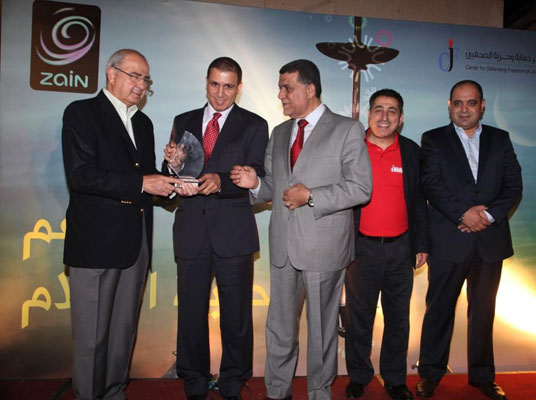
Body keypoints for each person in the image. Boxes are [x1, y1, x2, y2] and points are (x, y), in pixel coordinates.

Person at [230, 59, 372, 400]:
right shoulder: (280, 133)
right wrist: (254, 184)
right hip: (283, 247)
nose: (280, 95)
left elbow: (360, 188)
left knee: (322, 332)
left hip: (324, 248)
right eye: (280, 88)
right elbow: (274, 186)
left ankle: (319, 392)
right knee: (279, 327)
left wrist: (311, 197)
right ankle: (277, 391)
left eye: (287, 88)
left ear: (310, 89)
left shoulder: (347, 129)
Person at [62, 48, 180, 400]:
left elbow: (144, 178)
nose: (141, 85)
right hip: (95, 244)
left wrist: (171, 173)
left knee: (122, 332)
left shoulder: (142, 124)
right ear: (111, 74)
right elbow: (81, 176)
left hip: (135, 244)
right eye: (134, 75)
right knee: (92, 337)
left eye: (146, 79)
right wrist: (144, 182)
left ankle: (114, 392)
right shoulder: (82, 113)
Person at [163, 57, 269, 400]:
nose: (220, 93)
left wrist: (221, 181)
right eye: (214, 84)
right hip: (191, 231)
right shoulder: (183, 120)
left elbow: (256, 175)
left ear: (239, 87)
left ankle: (233, 381)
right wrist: (171, 164)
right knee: (191, 313)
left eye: (228, 86)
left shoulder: (255, 125)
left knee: (236, 316)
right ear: (206, 82)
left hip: (233, 233)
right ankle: (193, 380)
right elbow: (173, 173)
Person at [416, 80, 522, 400]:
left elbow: (513, 186)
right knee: (439, 310)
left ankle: (482, 377)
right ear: (449, 105)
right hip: (449, 240)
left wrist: (487, 216)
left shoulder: (500, 140)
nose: (464, 109)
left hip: (489, 242)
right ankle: (430, 373)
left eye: (471, 103)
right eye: (458, 103)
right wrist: (463, 214)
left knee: (484, 312)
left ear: (482, 105)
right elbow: (430, 184)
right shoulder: (433, 139)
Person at [344, 89, 429, 400]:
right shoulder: (352, 147)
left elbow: (420, 201)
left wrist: (421, 243)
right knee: (358, 318)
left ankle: (394, 379)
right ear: (369, 114)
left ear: (401, 118)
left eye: (392, 111)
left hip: (400, 249)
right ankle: (359, 377)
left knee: (398, 319)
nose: (384, 116)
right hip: (361, 249)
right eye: (378, 109)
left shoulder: (411, 151)